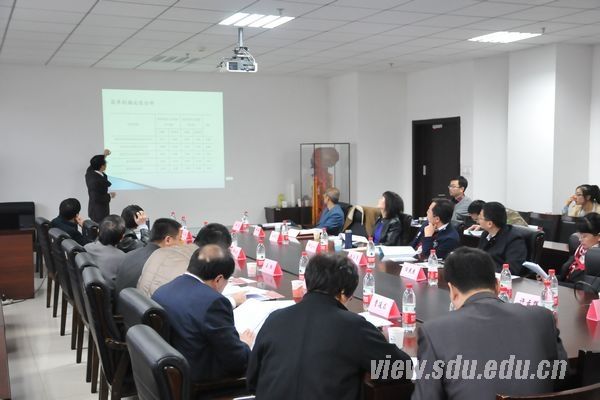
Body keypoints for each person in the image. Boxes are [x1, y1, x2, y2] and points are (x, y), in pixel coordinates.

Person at [411, 247, 567, 400]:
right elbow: (562, 377)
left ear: (453, 291)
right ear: (498, 285)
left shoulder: (435, 332)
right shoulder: (542, 317)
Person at [247, 253, 411, 399]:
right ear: (343, 292)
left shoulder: (275, 319)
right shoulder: (353, 326)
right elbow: (402, 368)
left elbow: (253, 381)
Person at [152, 244, 254, 384]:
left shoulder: (162, 290)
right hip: (201, 379)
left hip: (170, 372)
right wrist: (244, 345)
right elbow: (237, 362)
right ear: (218, 279)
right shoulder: (214, 303)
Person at [137, 223, 246, 308]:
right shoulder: (194, 267)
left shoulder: (161, 251)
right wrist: (232, 300)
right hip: (166, 318)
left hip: (142, 311)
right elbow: (202, 307)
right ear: (215, 250)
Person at [113, 218, 182, 298]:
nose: (182, 243)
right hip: (139, 304)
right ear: (168, 240)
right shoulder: (161, 265)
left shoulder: (129, 254)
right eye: (180, 239)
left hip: (121, 303)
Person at [477, 202, 527, 275]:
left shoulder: (514, 239)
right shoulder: (486, 234)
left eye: (480, 218)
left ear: (489, 224)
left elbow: (511, 269)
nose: (478, 220)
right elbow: (478, 257)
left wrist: (484, 271)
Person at [84, 215, 126, 286]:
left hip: (86, 289)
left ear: (98, 231)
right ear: (122, 237)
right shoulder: (123, 257)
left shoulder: (86, 248)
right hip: (111, 292)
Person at [558, 212, 600, 285]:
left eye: (584, 236)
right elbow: (566, 277)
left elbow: (584, 287)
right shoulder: (580, 251)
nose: (580, 239)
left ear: (598, 237)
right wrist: (550, 278)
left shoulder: (596, 258)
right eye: (580, 235)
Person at [85, 149, 115, 223]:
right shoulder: (95, 181)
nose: (106, 164)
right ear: (102, 166)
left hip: (96, 209)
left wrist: (104, 155)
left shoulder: (90, 173)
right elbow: (96, 198)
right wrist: (110, 195)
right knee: (101, 228)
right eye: (105, 163)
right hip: (99, 212)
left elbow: (93, 164)